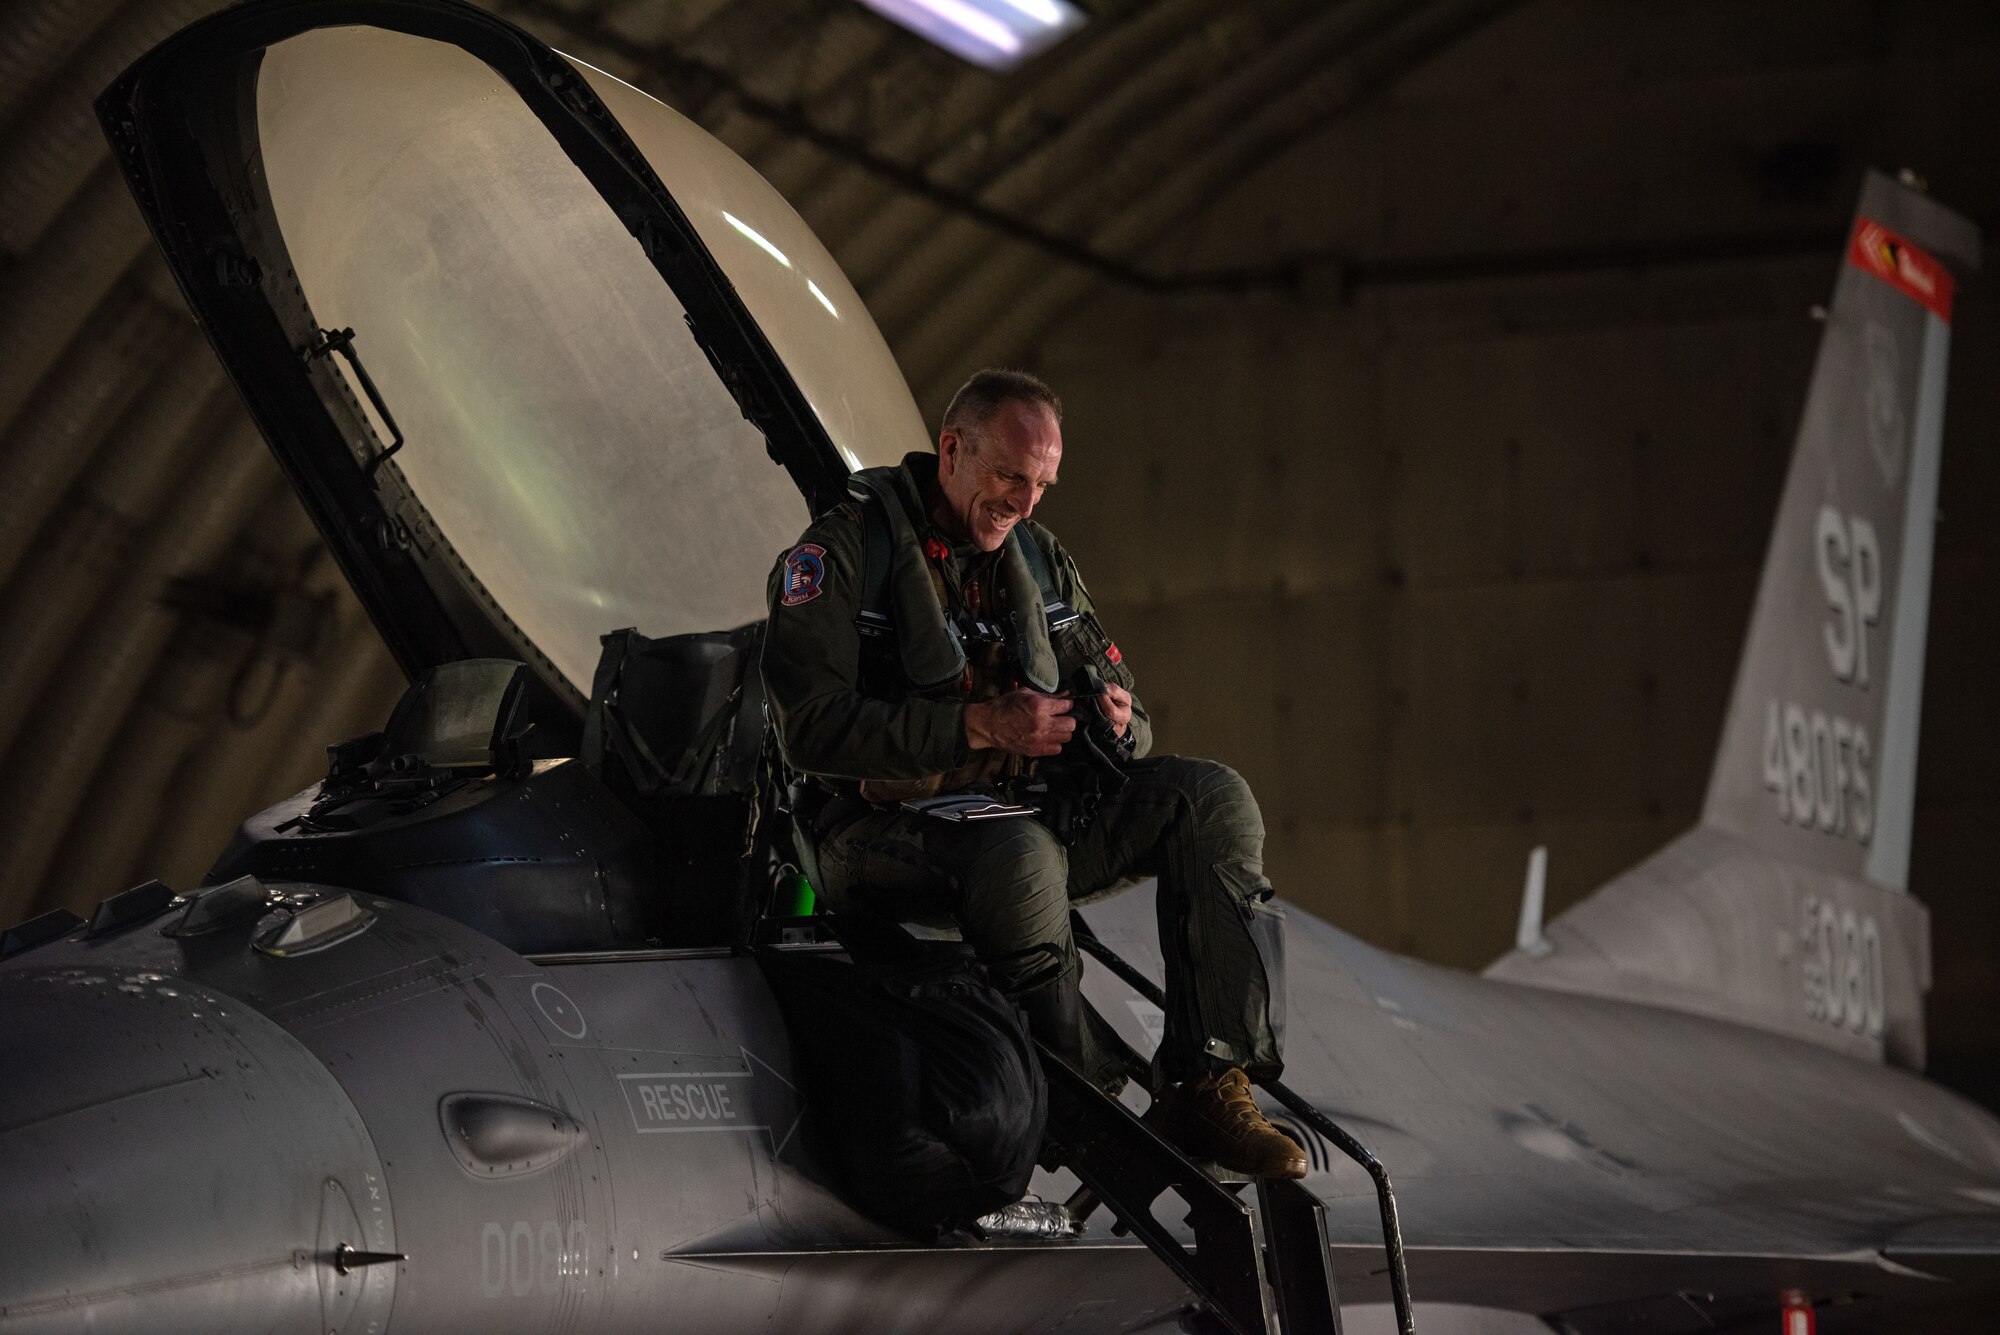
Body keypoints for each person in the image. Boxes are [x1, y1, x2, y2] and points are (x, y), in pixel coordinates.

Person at [760, 368, 1303, 1180]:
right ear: (952, 449)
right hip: (871, 838)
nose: (1025, 500)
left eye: (1042, 483)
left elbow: (1133, 712)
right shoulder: (838, 556)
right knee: (1020, 859)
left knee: (1211, 798)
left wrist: (1119, 724)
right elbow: (806, 730)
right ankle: (1088, 1107)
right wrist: (975, 724)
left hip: (1016, 817)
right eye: (1011, 475)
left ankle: (1207, 1081)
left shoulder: (1038, 559)